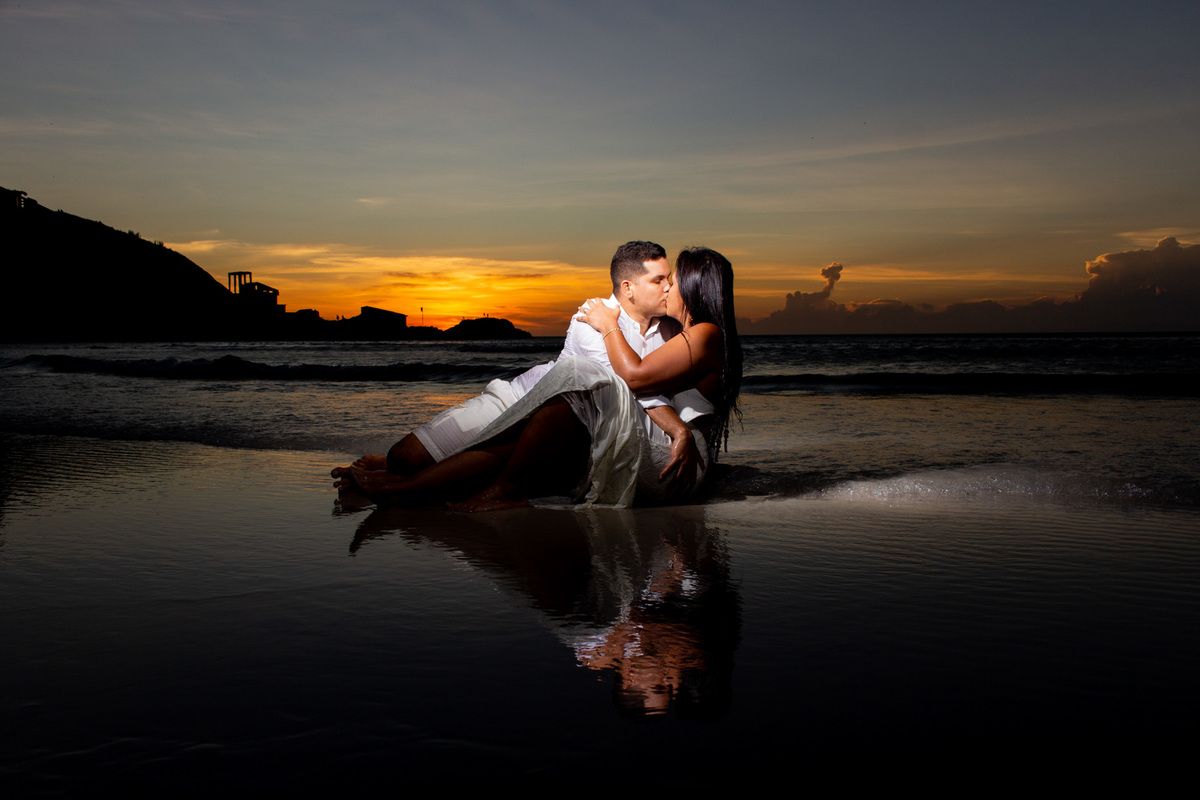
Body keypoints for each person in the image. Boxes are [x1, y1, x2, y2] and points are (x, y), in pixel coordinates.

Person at [340, 247, 741, 511]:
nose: (669, 286)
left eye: (674, 279)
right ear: (628, 288)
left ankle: (413, 489)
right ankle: (409, 474)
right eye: (661, 279)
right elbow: (635, 385)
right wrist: (605, 324)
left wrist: (681, 432)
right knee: (406, 456)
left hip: (643, 440)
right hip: (536, 401)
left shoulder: (694, 334)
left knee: (575, 388)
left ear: (693, 287)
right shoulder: (604, 317)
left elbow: (633, 382)